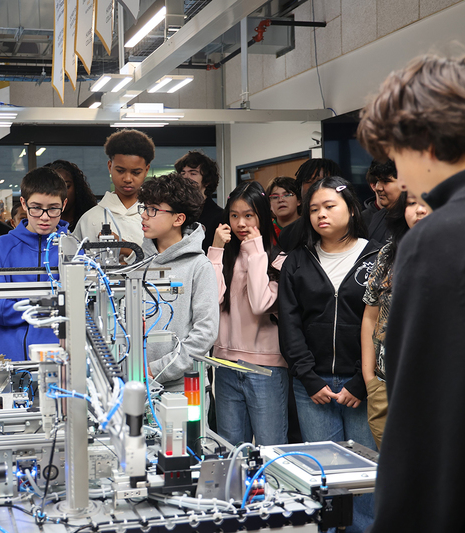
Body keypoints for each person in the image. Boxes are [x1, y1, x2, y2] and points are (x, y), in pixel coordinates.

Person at [356, 52, 465, 533]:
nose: (400, 177)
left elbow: (428, 431)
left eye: (396, 156)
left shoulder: (445, 239)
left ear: (422, 141)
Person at [278, 176, 380, 532]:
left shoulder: (379, 255)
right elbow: (289, 325)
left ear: (351, 209)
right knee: (324, 475)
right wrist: (308, 377)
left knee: (367, 475)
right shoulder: (296, 261)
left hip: (363, 384)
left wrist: (361, 382)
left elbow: (386, 326)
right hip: (313, 385)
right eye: (314, 209)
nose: (320, 215)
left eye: (329, 206)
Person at [208, 181, 287, 446]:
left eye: (248, 215)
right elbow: (212, 300)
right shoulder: (224, 257)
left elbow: (260, 304)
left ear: (262, 216)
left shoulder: (278, 259)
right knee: (230, 449)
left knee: (270, 448)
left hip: (266, 367)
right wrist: (216, 250)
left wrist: (255, 251)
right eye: (234, 215)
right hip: (226, 364)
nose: (241, 223)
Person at [138, 173, 219, 392]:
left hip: (184, 386)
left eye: (153, 210)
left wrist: (157, 369)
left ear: (178, 219)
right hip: (137, 383)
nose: (144, 216)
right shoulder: (136, 264)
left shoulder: (199, 266)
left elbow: (205, 333)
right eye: (144, 208)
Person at [360, 191, 428, 448]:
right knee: (394, 472)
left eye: (427, 202)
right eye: (411, 204)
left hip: (437, 389)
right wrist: (370, 378)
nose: (419, 210)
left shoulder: (460, 252)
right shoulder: (388, 253)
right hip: (386, 386)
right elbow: (370, 316)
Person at [0, 167, 70, 361]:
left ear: (64, 204)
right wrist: (48, 308)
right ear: (23, 203)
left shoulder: (74, 249)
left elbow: (79, 308)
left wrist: (22, 306)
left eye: (53, 208)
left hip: (59, 358)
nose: (45, 216)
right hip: (9, 358)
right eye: (36, 207)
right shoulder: (2, 247)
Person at [73, 129, 155, 258]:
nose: (128, 179)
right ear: (109, 166)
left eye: (136, 172)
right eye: (120, 171)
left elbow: (166, 262)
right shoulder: (90, 219)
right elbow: (75, 263)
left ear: (147, 170)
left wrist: (126, 249)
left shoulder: (157, 215)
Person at [277, 158, 342, 252]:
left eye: (319, 181)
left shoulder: (348, 225)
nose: (313, 186)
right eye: (307, 181)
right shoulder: (288, 233)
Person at [175, 150, 223, 254]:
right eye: (183, 173)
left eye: (193, 173)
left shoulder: (219, 216)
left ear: (207, 181)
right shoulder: (174, 212)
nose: (186, 178)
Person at [45, 159, 97, 231]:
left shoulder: (91, 221)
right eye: (53, 188)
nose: (60, 193)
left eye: (66, 186)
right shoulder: (42, 223)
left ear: (77, 187)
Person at [360, 160, 400, 243]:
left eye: (386, 181)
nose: (378, 187)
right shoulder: (374, 220)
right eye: (377, 181)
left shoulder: (420, 217)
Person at [266, 176, 301, 241]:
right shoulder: (266, 231)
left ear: (299, 200)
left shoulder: (310, 226)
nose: (281, 200)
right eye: (275, 197)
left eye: (287, 195)